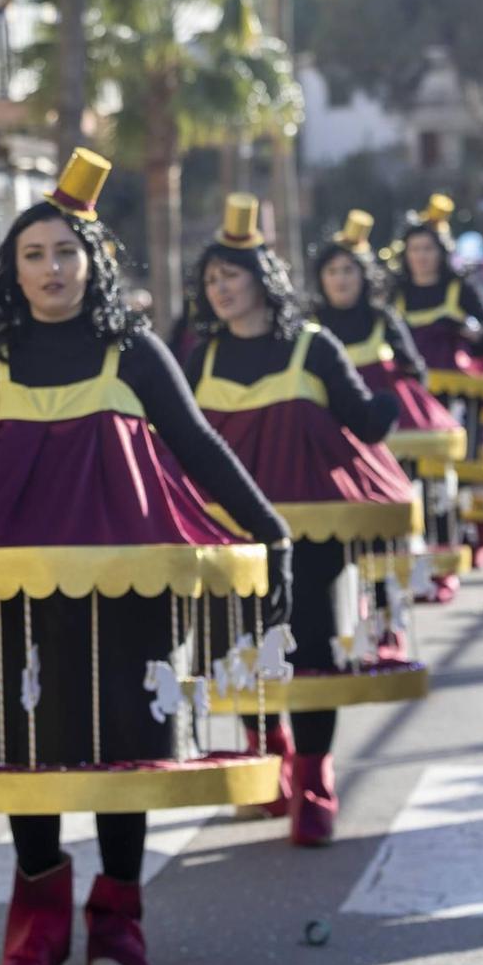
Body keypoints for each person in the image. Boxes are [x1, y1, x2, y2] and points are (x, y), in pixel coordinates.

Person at [0, 150, 292, 965]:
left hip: (127, 580)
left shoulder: (134, 351)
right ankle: (37, 915)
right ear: (11, 270)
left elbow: (198, 444)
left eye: (66, 252)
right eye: (33, 254)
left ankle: (118, 919)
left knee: (123, 740)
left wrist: (268, 528)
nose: (51, 268)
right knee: (25, 743)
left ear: (93, 261)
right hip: (8, 584)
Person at [188, 196, 417, 846]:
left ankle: (315, 779)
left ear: (263, 277)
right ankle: (273, 752)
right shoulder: (196, 358)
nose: (221, 288)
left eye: (230, 274)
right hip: (226, 536)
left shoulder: (315, 348)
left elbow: (363, 422)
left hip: (311, 538)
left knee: (310, 651)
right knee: (233, 650)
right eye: (211, 279)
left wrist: (398, 394)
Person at [312, 213, 468, 599]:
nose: (341, 279)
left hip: (398, 440)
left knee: (419, 503)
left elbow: (416, 371)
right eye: (332, 271)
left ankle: (428, 575)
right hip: (336, 443)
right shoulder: (310, 325)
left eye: (348, 270)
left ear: (363, 276)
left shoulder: (383, 318)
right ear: (320, 278)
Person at [395, 195, 483, 576]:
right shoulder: (394, 294)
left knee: (460, 472)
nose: (421, 256)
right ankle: (422, 553)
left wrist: (469, 330)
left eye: (428, 248)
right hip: (411, 399)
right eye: (414, 248)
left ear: (441, 252)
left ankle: (472, 538)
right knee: (413, 475)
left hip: (458, 398)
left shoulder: (462, 289)